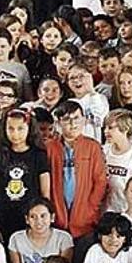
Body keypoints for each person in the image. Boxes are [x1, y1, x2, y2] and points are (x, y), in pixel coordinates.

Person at [46, 100, 108, 239]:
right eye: (67, 119)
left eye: (76, 118)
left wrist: (91, 208)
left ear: (84, 120)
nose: (73, 124)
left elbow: (100, 181)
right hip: (56, 217)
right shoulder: (49, 147)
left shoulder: (93, 147)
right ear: (58, 122)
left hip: (85, 219)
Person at [0, 108, 50, 242]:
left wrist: (43, 222)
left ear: (29, 128)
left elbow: (45, 194)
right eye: (11, 128)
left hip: (30, 221)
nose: (15, 134)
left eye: (20, 128)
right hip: (4, 219)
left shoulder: (39, 155)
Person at [8, 199, 74, 263]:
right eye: (33, 217)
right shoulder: (16, 239)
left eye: (43, 216)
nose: (38, 221)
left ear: (52, 217)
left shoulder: (64, 238)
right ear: (27, 219)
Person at [103, 109, 132, 213]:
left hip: (124, 213)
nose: (106, 131)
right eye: (105, 127)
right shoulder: (103, 151)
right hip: (102, 214)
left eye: (110, 128)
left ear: (125, 129)